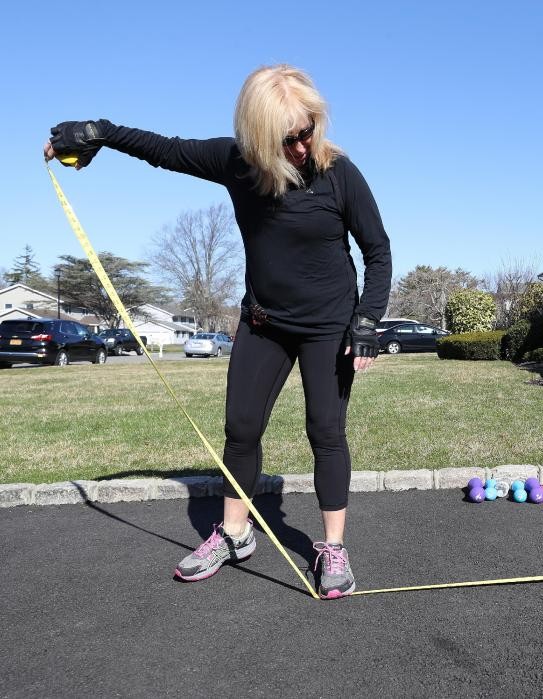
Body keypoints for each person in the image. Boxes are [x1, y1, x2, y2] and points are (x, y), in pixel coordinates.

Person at [44, 65, 392, 599]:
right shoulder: (237, 163)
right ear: (258, 138)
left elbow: (377, 251)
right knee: (241, 427)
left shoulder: (338, 172)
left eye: (308, 130)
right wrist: (100, 133)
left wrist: (366, 321)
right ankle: (234, 534)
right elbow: (166, 149)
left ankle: (333, 548)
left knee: (325, 430)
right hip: (264, 323)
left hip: (329, 328)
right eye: (286, 138)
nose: (301, 146)